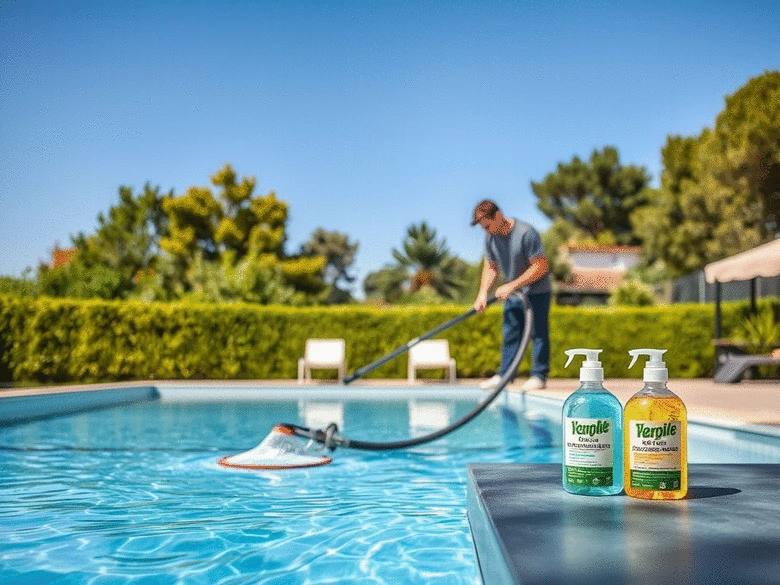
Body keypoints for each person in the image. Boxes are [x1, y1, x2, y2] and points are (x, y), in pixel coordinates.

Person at [471, 199, 551, 390]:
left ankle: (538, 376)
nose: (486, 230)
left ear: (497, 216)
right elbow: (490, 267)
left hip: (537, 292)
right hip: (514, 295)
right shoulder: (490, 238)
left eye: (488, 225)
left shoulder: (526, 233)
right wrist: (482, 294)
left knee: (538, 333)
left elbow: (540, 266)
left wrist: (512, 285)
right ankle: (504, 375)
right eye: (483, 227)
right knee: (511, 333)